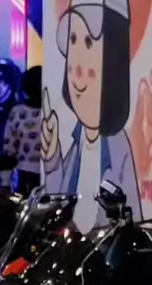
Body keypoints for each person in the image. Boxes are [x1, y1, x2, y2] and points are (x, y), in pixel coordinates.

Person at [41, 0, 141, 232]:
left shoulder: (119, 150)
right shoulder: (78, 144)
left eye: (88, 42)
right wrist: (53, 158)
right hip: (74, 248)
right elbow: (59, 201)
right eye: (73, 40)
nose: (76, 68)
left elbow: (131, 224)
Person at [3, 65, 42, 194]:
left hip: (26, 173)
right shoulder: (56, 112)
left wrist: (5, 182)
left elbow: (9, 149)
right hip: (55, 173)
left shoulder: (18, 112)